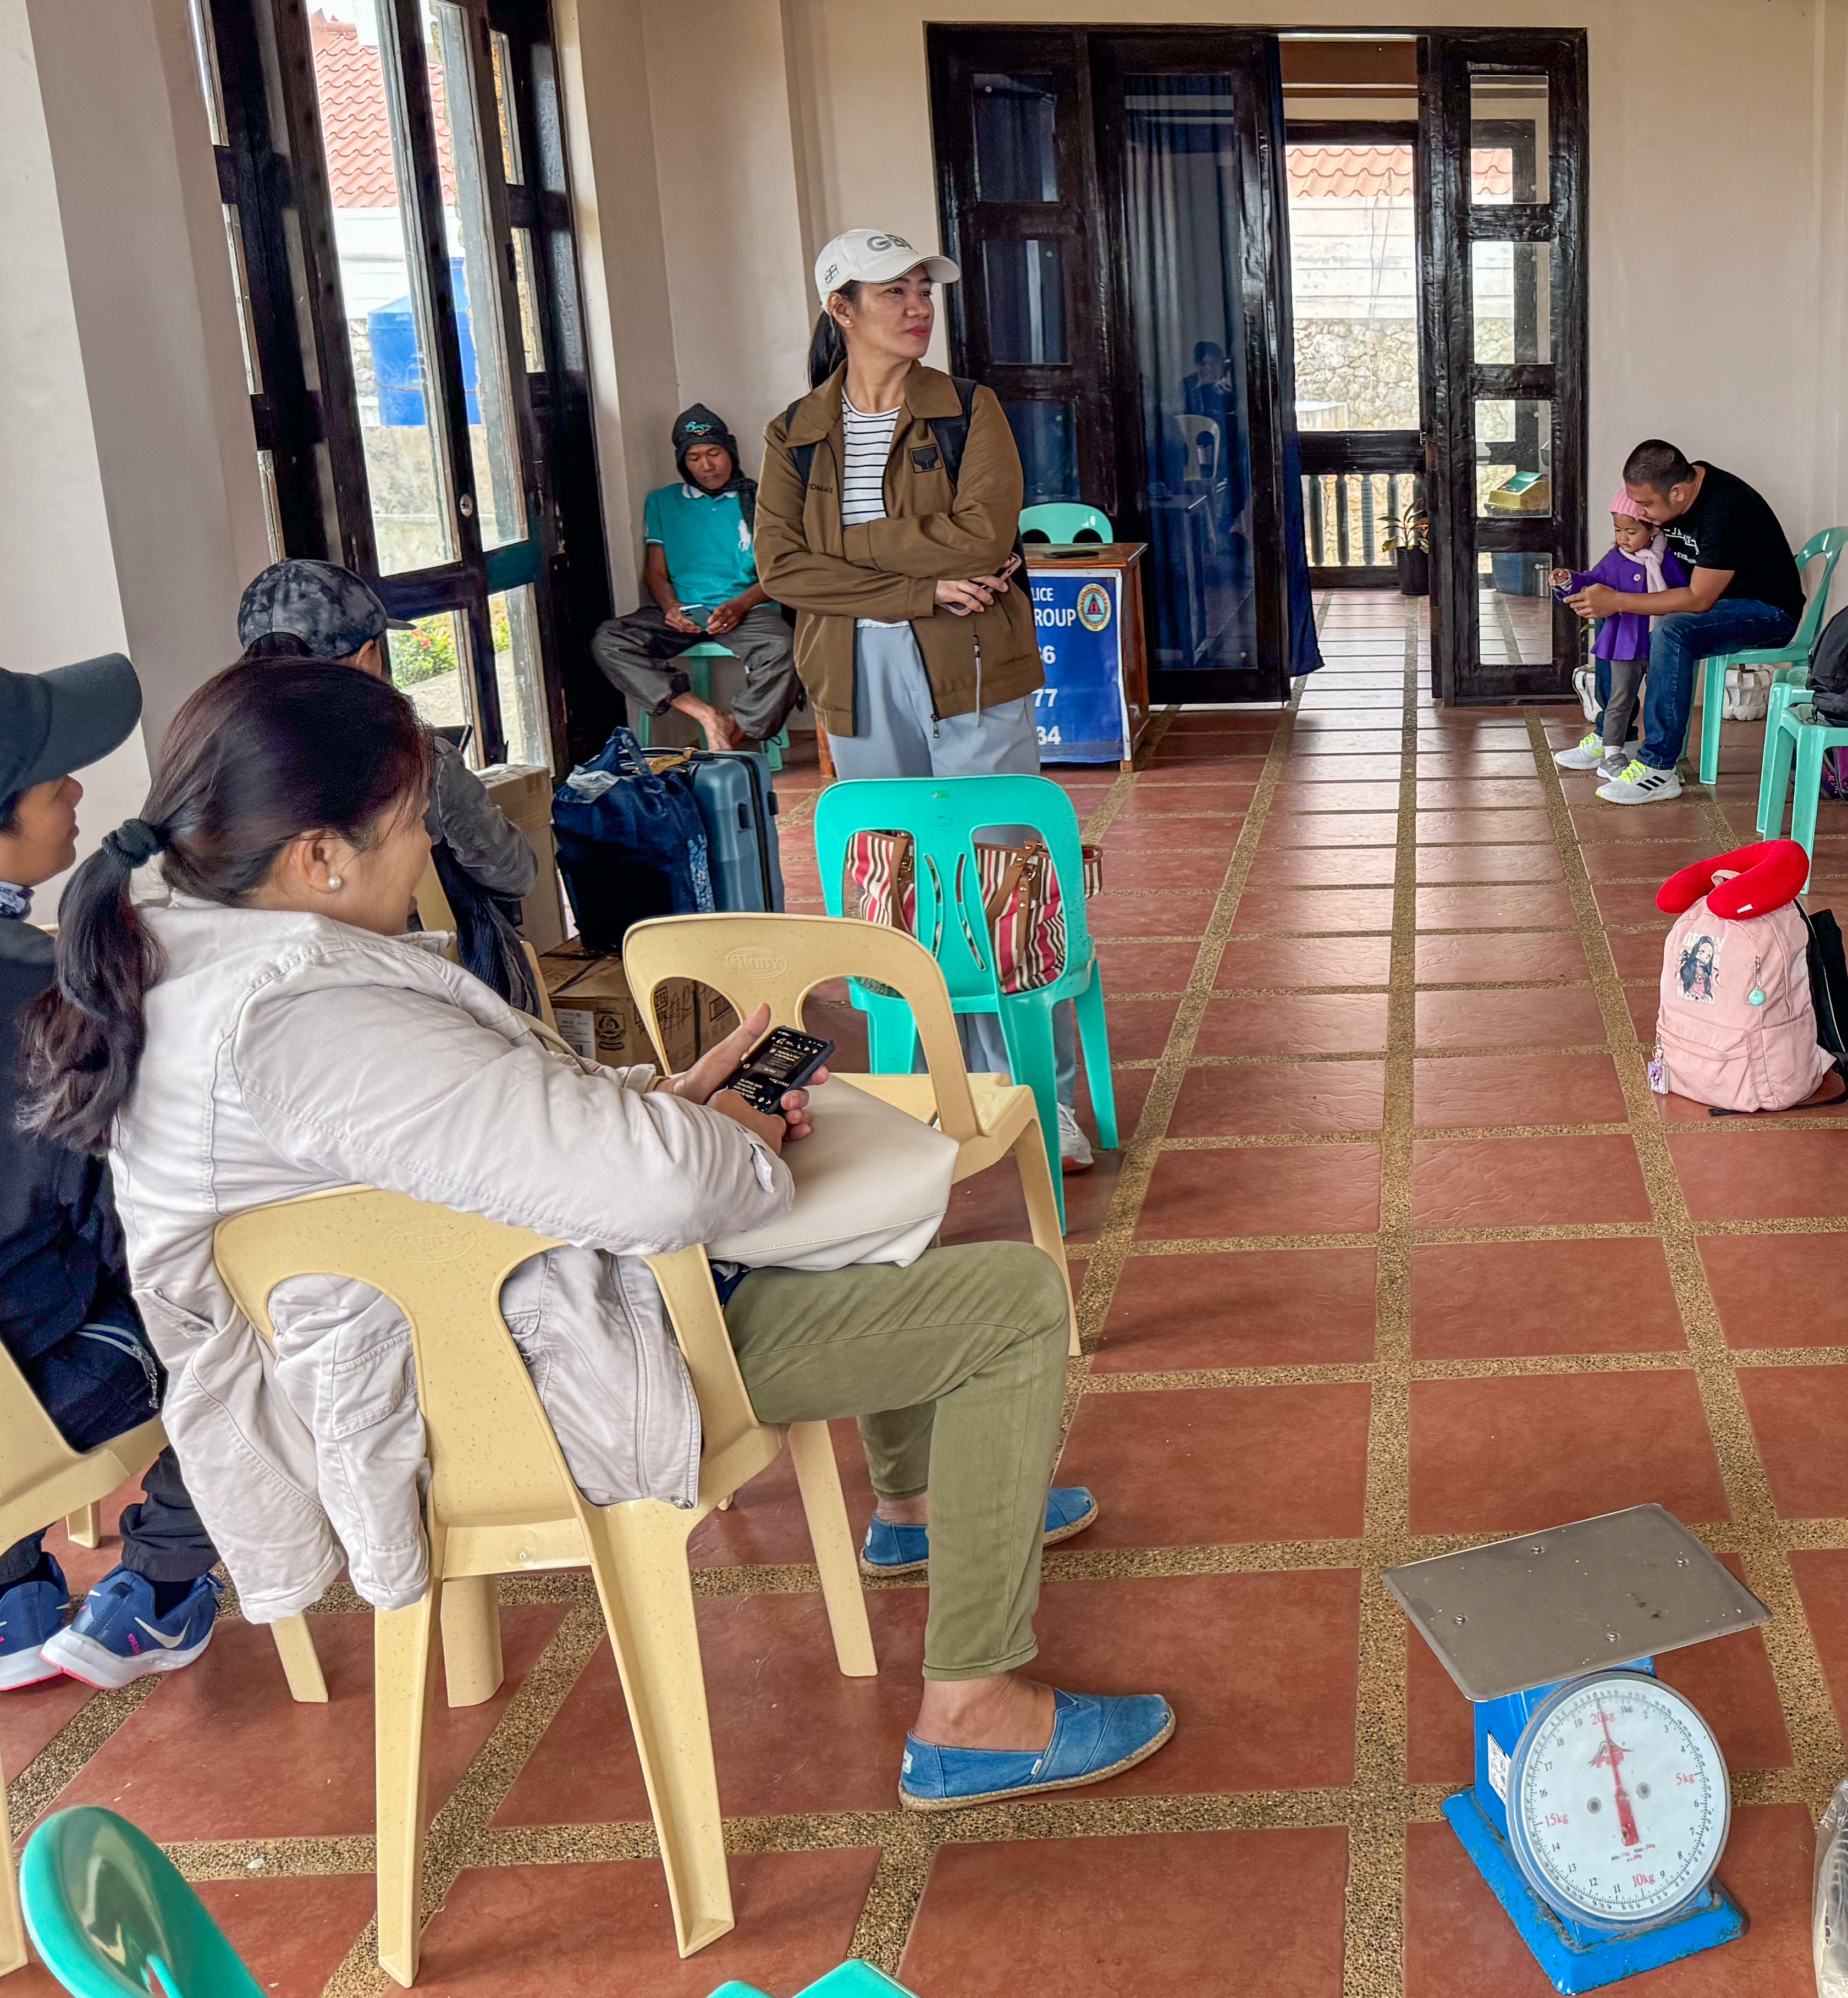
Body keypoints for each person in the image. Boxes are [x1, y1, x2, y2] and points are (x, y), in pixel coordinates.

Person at [16, 658, 1170, 1807]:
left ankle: (918, 1511)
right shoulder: (303, 1025)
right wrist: (727, 1140)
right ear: (320, 856)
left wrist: (674, 1104)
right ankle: (974, 1713)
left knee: (846, 1219)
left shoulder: (195, 960)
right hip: (514, 1384)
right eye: (413, 823)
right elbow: (653, 1188)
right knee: (1009, 1302)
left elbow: (484, 1132)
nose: (427, 850)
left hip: (469, 1338)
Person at [753, 228, 1089, 1172]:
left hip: (971, 659)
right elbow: (780, 567)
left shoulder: (967, 410)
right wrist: (916, 583)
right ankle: (942, 1087)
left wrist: (847, 549)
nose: (915, 307)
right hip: (855, 670)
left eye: (922, 290)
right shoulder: (793, 433)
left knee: (1003, 878)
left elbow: (982, 539)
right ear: (840, 309)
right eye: (891, 291)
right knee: (895, 881)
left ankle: (1041, 1097)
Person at [0, 658, 224, 1687]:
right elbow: (123, 1216)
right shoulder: (41, 1001)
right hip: (46, 1396)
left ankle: (12, 1596)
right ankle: (164, 1580)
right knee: (265, 1301)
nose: (79, 790)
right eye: (55, 780)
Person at [235, 560, 534, 902]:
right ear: (365, 657)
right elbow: (515, 874)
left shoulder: (220, 763)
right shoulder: (418, 759)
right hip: (401, 934)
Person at [1571, 440, 1807, 807]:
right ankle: (1615, 736)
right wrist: (1604, 597)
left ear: (1679, 493)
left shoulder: (1724, 509)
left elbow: (1698, 599)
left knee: (1672, 631)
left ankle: (1659, 768)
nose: (1640, 513)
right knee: (1615, 610)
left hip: (1767, 613)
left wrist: (1617, 599)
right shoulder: (1676, 491)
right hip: (1720, 603)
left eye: (1646, 505)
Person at [589, 404, 798, 753]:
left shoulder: (762, 499)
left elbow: (781, 572)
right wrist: (671, 608)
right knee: (610, 641)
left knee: (787, 649)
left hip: (745, 609)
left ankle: (738, 727)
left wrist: (739, 606)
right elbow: (655, 572)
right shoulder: (663, 502)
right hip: (683, 612)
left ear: (730, 452)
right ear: (682, 463)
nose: (707, 466)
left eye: (714, 453)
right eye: (694, 458)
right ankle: (707, 716)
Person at [1549, 492, 1690, 779]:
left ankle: (1655, 756)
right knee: (1619, 699)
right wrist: (1567, 582)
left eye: (1631, 532)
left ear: (1653, 530)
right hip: (1625, 644)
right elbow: (1590, 582)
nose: (1623, 538)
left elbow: (1684, 592)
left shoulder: (1668, 559)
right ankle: (1611, 754)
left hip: (1659, 644)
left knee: (1660, 699)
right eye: (1618, 531)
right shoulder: (1616, 560)